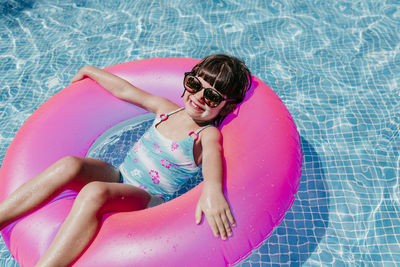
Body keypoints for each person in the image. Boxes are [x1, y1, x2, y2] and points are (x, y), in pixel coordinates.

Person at [0, 54, 252, 267]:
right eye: (194, 84)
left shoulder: (205, 134)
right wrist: (92, 71)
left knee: (94, 192)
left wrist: (213, 191)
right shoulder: (167, 110)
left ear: (226, 107)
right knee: (70, 165)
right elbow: (127, 91)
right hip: (120, 175)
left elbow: (212, 159)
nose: (198, 97)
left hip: (146, 198)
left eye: (212, 97)